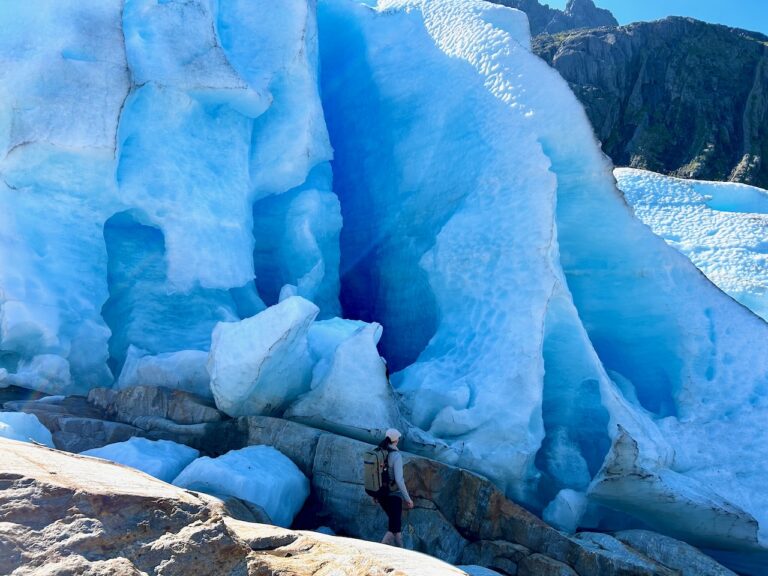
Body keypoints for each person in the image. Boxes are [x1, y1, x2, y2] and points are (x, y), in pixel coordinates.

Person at [375, 428, 414, 547]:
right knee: (393, 528)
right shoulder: (396, 456)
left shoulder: (379, 452)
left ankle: (401, 550)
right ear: (396, 440)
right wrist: (408, 499)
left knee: (396, 527)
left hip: (381, 495)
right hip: (393, 496)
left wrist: (375, 494)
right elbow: (399, 480)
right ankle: (380, 549)